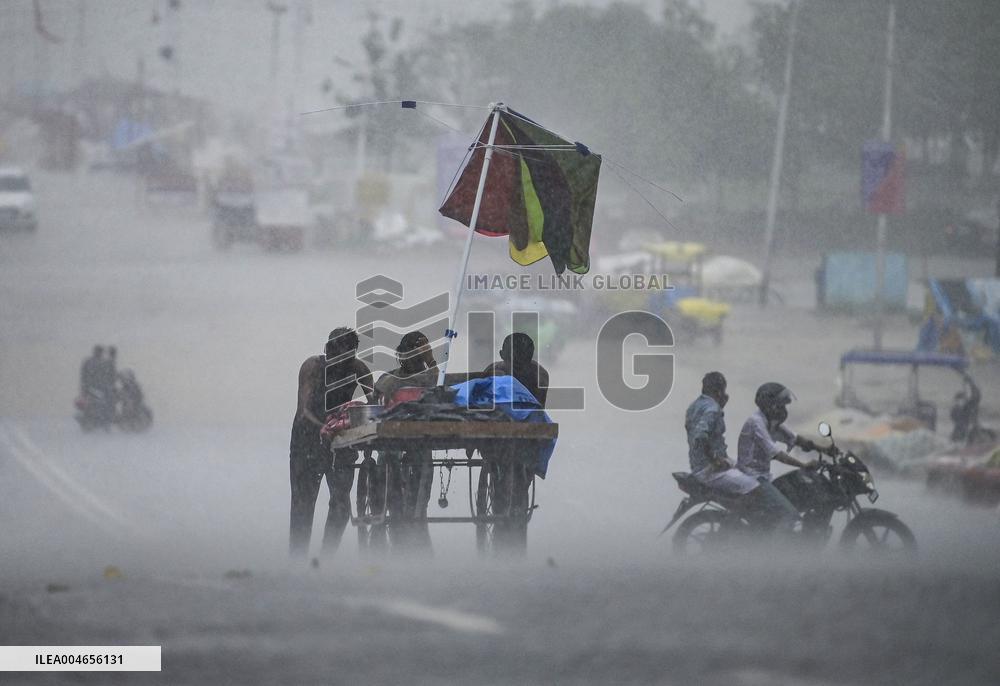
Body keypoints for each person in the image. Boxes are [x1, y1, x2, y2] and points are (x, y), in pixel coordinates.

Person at [289, 327, 374, 558]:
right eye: (336, 356)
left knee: (341, 504)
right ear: (327, 350)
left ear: (353, 354)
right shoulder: (313, 367)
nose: (341, 363)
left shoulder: (358, 369)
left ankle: (325, 559)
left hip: (341, 440)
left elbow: (374, 405)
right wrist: (323, 427)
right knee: (303, 504)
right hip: (306, 438)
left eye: (347, 358)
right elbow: (303, 410)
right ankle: (297, 560)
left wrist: (350, 424)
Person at [370, 331, 441, 553]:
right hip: (392, 440)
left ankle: (416, 524)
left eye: (418, 355)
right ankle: (396, 523)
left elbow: (434, 380)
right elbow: (380, 390)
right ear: (401, 356)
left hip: (419, 439)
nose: (412, 360)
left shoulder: (431, 378)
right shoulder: (389, 377)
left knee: (421, 486)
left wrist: (429, 360)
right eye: (410, 355)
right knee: (388, 470)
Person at [479, 333, 549, 553]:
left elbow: (482, 403)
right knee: (521, 483)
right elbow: (538, 408)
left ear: (502, 354)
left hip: (499, 438)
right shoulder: (540, 374)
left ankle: (505, 512)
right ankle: (515, 518)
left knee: (506, 483)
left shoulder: (495, 370)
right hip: (524, 439)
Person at [736, 382, 816, 526]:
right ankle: (775, 549)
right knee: (789, 514)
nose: (783, 410)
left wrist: (824, 448)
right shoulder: (756, 422)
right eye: (780, 406)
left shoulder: (770, 422)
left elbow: (795, 438)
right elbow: (776, 454)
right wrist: (803, 465)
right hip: (752, 478)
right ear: (769, 405)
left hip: (762, 477)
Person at [684, 371, 759, 499]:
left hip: (698, 465)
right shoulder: (712, 408)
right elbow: (700, 436)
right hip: (710, 469)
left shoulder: (694, 406)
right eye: (723, 390)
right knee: (754, 485)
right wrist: (715, 460)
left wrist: (720, 407)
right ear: (719, 391)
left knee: (749, 468)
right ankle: (746, 516)